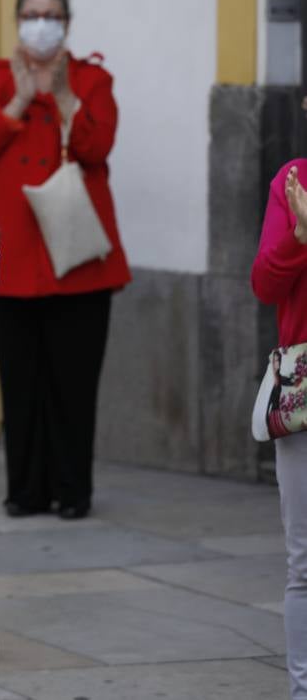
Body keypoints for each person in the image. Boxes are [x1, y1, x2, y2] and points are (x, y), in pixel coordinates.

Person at [0, 0, 130, 521]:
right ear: (18, 22)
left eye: (51, 16)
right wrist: (16, 101)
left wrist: (61, 96)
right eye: (31, 16)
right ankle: (25, 490)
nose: (41, 25)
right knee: (20, 380)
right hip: (13, 259)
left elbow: (97, 147)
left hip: (79, 259)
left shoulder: (92, 79)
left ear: (67, 22)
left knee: (74, 382)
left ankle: (72, 491)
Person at [252, 114, 307, 700]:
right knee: (304, 563)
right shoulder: (294, 179)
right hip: (304, 396)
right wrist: (298, 237)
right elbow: (265, 283)